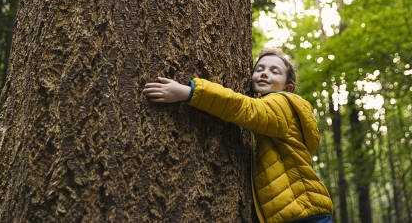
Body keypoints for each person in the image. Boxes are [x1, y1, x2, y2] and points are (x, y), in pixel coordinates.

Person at [142, 48, 334, 223]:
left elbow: (244, 108)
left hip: (303, 214)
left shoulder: (283, 103)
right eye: (259, 69)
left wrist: (188, 92)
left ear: (287, 87)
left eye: (275, 71)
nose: (265, 73)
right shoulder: (275, 113)